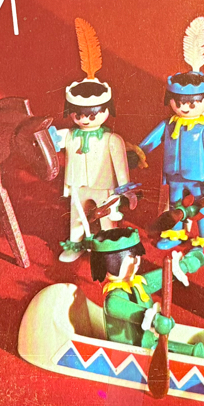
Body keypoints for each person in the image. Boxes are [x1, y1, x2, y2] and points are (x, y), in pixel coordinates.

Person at [136, 17, 204, 250]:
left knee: (203, 206)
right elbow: (149, 143)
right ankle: (175, 234)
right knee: (175, 205)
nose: (185, 107)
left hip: (200, 179)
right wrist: (137, 153)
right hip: (174, 177)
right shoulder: (169, 125)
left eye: (192, 102)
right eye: (179, 102)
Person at [49, 19, 132, 262]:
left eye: (92, 114)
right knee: (77, 217)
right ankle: (75, 245)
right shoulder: (69, 135)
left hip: (104, 186)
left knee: (106, 218)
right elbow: (50, 142)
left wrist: (125, 190)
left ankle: (110, 248)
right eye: (79, 114)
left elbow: (121, 169)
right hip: (77, 184)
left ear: (107, 110)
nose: (84, 119)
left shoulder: (111, 140)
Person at [87, 228, 204, 360]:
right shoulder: (113, 300)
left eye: (137, 256)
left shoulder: (138, 283)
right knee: (167, 349)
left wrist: (184, 265)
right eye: (130, 258)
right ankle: (203, 357)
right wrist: (154, 320)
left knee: (170, 347)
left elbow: (163, 276)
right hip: (129, 353)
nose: (136, 261)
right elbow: (135, 313)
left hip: (147, 341)